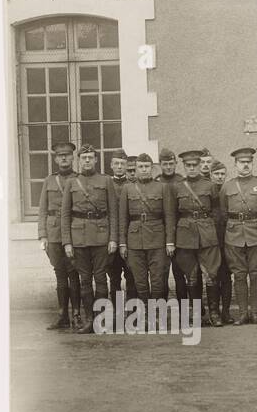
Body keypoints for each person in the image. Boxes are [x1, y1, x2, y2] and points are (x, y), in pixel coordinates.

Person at [61, 143, 119, 334]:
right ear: (79, 160)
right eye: (83, 158)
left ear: (96, 160)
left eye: (90, 158)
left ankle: (101, 321)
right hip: (78, 238)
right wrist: (67, 242)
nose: (87, 161)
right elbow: (65, 215)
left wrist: (113, 239)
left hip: (102, 237)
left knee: (101, 279)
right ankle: (88, 320)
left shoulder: (106, 181)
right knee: (85, 280)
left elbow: (113, 212)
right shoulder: (71, 182)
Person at [219, 148, 257, 324]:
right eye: (241, 162)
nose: (245, 165)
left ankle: (256, 313)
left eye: (248, 162)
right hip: (234, 234)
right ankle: (243, 313)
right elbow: (223, 212)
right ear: (235, 165)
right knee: (239, 274)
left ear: (253, 163)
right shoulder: (227, 186)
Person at [171, 149, 225, 326]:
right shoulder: (177, 187)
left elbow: (217, 210)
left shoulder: (209, 186)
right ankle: (196, 314)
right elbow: (172, 215)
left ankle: (214, 313)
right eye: (189, 165)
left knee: (211, 275)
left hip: (207, 235)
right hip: (185, 237)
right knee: (192, 276)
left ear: (201, 165)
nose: (192, 168)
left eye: (196, 165)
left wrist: (211, 227)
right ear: (184, 167)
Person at [118, 151, 176, 305]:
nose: (144, 169)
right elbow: (123, 218)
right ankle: (145, 314)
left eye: (147, 166)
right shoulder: (127, 188)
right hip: (134, 241)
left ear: (152, 168)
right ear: (136, 169)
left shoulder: (162, 187)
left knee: (158, 280)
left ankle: (157, 314)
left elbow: (169, 217)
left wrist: (170, 241)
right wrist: (122, 243)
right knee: (140, 281)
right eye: (140, 166)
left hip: (157, 240)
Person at [37, 139, 81, 330]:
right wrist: (42, 236)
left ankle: (77, 314)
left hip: (73, 232)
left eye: (67, 155)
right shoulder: (48, 181)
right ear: (56, 159)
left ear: (72, 157)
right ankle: (63, 314)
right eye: (60, 156)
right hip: (54, 233)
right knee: (60, 274)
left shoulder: (79, 179)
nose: (64, 158)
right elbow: (42, 210)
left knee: (74, 273)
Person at [157, 149, 188, 302]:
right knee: (161, 275)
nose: (168, 167)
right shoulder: (156, 183)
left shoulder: (183, 182)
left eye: (171, 164)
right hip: (160, 234)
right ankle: (162, 312)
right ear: (160, 165)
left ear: (176, 164)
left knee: (180, 273)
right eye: (165, 164)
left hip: (181, 233)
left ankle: (185, 311)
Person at [107, 149, 134, 300]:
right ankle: (118, 315)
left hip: (130, 238)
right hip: (111, 238)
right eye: (116, 163)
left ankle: (132, 314)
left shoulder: (132, 185)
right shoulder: (106, 185)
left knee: (132, 276)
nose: (119, 167)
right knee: (114, 278)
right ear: (111, 165)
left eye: (122, 164)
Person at [210, 161, 235, 324]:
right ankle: (214, 313)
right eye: (216, 174)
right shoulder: (207, 193)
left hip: (227, 240)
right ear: (211, 175)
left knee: (226, 276)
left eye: (222, 174)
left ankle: (226, 311)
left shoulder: (229, 191)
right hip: (211, 242)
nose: (219, 177)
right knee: (212, 276)